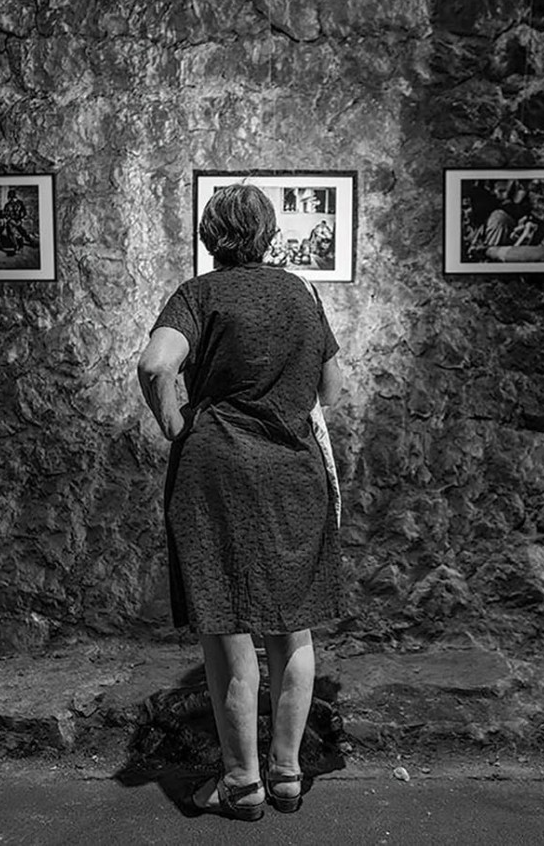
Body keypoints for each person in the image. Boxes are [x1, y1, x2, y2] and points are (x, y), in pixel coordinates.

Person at [137, 184, 344, 823]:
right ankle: (287, 774)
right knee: (292, 625)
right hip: (291, 473)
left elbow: (154, 366)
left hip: (216, 473)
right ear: (269, 234)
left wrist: (174, 420)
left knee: (228, 631)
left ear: (209, 236)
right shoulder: (303, 294)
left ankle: (241, 781)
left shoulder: (198, 295)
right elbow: (331, 389)